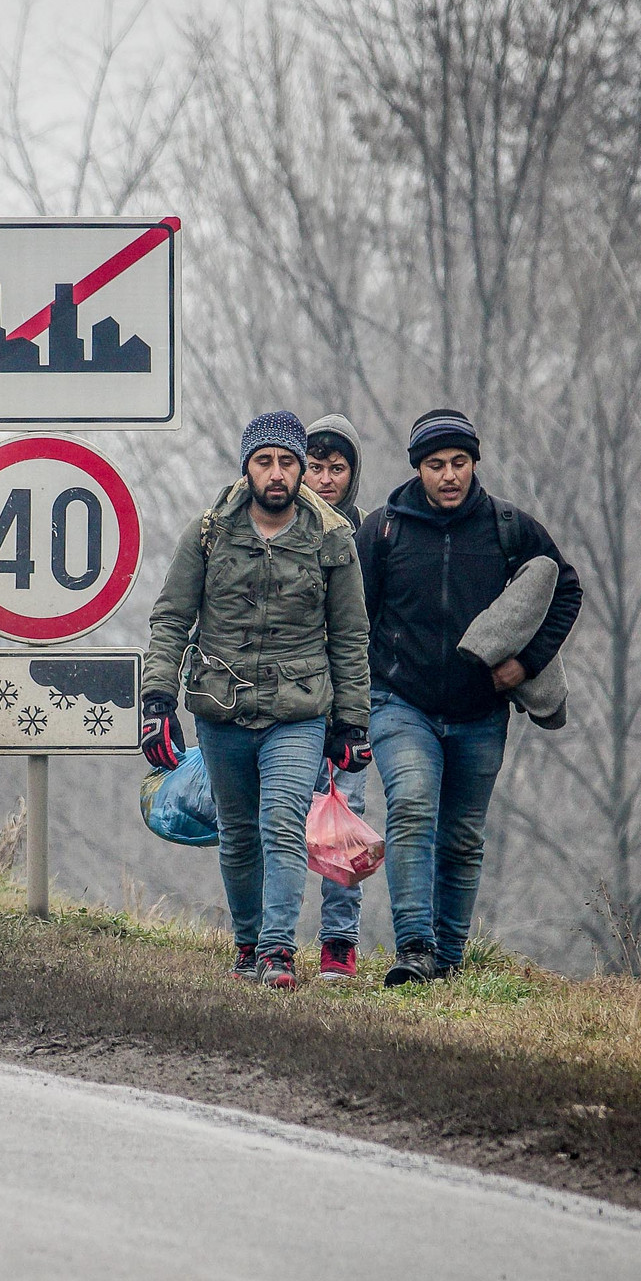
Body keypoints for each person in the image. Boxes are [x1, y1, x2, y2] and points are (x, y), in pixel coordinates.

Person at [142, 411, 372, 991]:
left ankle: (277, 953)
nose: (277, 473)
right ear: (247, 466)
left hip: (298, 714)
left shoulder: (331, 540)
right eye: (265, 460)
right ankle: (248, 942)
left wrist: (351, 722)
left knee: (283, 824)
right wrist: (157, 699)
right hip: (221, 710)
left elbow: (349, 637)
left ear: (299, 471)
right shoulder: (208, 534)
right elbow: (172, 619)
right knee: (240, 832)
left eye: (288, 462)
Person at [356, 409, 581, 985]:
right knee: (410, 807)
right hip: (399, 701)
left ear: (475, 463)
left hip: (480, 712)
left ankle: (449, 961)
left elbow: (566, 587)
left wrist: (526, 663)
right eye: (436, 465)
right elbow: (353, 617)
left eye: (459, 463)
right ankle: (414, 949)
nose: (449, 475)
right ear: (418, 469)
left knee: (461, 835)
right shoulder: (384, 531)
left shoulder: (508, 527)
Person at [303, 414, 369, 981]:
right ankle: (263, 938)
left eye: (337, 468)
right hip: (289, 703)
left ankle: (339, 944)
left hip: (349, 705)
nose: (325, 479)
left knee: (345, 823)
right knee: (277, 820)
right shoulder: (278, 529)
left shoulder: (371, 537)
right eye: (316, 466)